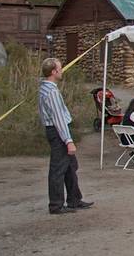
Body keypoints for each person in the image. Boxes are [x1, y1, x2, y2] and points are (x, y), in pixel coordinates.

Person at [38, 57, 92, 214]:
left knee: (70, 167)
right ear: (54, 71)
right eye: (60, 69)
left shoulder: (45, 87)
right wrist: (68, 141)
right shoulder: (52, 92)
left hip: (56, 130)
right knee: (58, 169)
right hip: (57, 131)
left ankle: (74, 199)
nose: (62, 71)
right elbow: (58, 118)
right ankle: (55, 204)